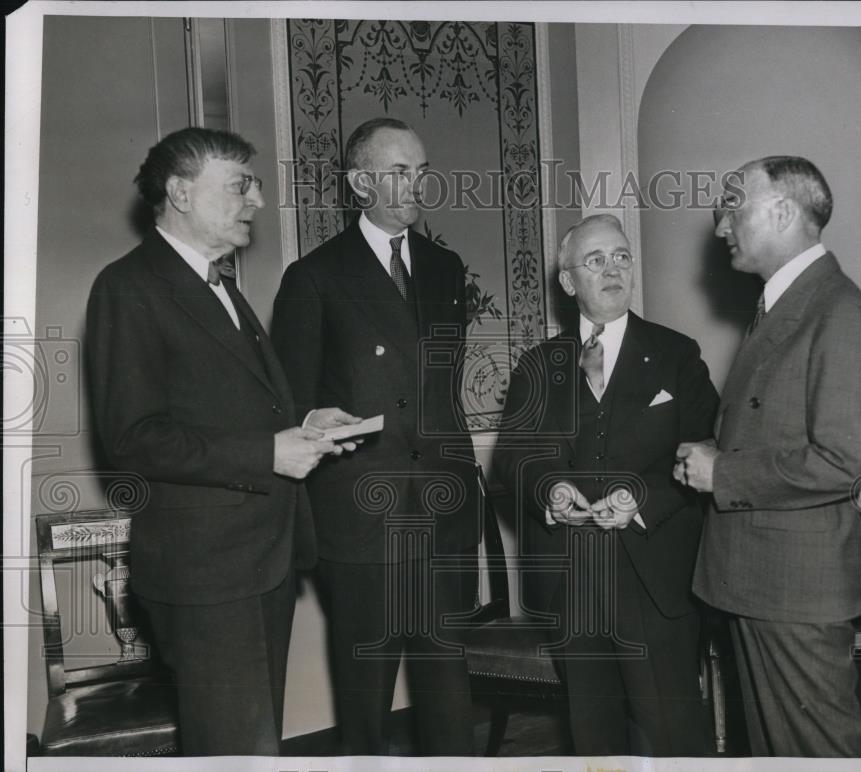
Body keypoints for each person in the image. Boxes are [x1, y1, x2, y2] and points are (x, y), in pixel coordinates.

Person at [86, 127, 361, 755]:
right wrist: (269, 453)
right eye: (240, 185)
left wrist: (305, 423)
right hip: (206, 574)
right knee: (235, 751)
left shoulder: (219, 284)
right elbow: (133, 437)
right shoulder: (128, 287)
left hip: (263, 559)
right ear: (180, 193)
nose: (257, 200)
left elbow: (225, 407)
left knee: (252, 745)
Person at [270, 117, 479, 755]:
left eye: (420, 169)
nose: (416, 184)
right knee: (365, 700)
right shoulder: (314, 277)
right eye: (398, 171)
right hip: (361, 522)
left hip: (442, 513)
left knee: (448, 695)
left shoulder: (446, 268)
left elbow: (443, 390)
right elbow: (292, 406)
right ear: (361, 182)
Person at [676, 156, 861, 757]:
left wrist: (725, 471)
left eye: (731, 207)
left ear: (782, 211)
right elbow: (782, 432)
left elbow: (845, 461)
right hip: (763, 583)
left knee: (818, 753)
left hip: (794, 590)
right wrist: (722, 450)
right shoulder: (784, 306)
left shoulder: (838, 311)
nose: (720, 227)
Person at [493, 214, 718, 756]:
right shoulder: (538, 364)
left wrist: (640, 498)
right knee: (594, 735)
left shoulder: (676, 353)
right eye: (595, 260)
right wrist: (550, 490)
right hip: (572, 582)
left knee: (669, 732)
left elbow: (705, 449)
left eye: (621, 256)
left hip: (653, 575)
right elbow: (515, 458)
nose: (613, 269)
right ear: (568, 281)